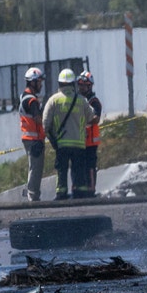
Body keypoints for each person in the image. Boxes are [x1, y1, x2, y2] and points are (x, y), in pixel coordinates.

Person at [42, 68, 98, 200]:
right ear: (73, 83)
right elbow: (92, 118)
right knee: (78, 169)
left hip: (61, 144)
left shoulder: (53, 100)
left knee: (61, 169)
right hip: (79, 143)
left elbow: (45, 124)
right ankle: (80, 192)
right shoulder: (82, 100)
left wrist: (53, 138)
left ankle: (61, 192)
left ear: (59, 83)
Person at [19, 67, 46, 202]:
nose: (41, 85)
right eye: (39, 82)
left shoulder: (24, 96)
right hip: (34, 138)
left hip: (29, 137)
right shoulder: (31, 100)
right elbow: (38, 119)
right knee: (36, 167)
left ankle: (32, 193)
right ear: (32, 82)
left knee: (33, 167)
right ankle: (33, 195)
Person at [76, 71, 102, 198]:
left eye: (84, 85)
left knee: (90, 166)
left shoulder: (94, 101)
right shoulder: (78, 100)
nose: (81, 87)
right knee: (80, 166)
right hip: (79, 140)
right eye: (80, 84)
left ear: (90, 86)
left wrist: (82, 121)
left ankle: (91, 190)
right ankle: (81, 190)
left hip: (91, 141)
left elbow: (96, 118)